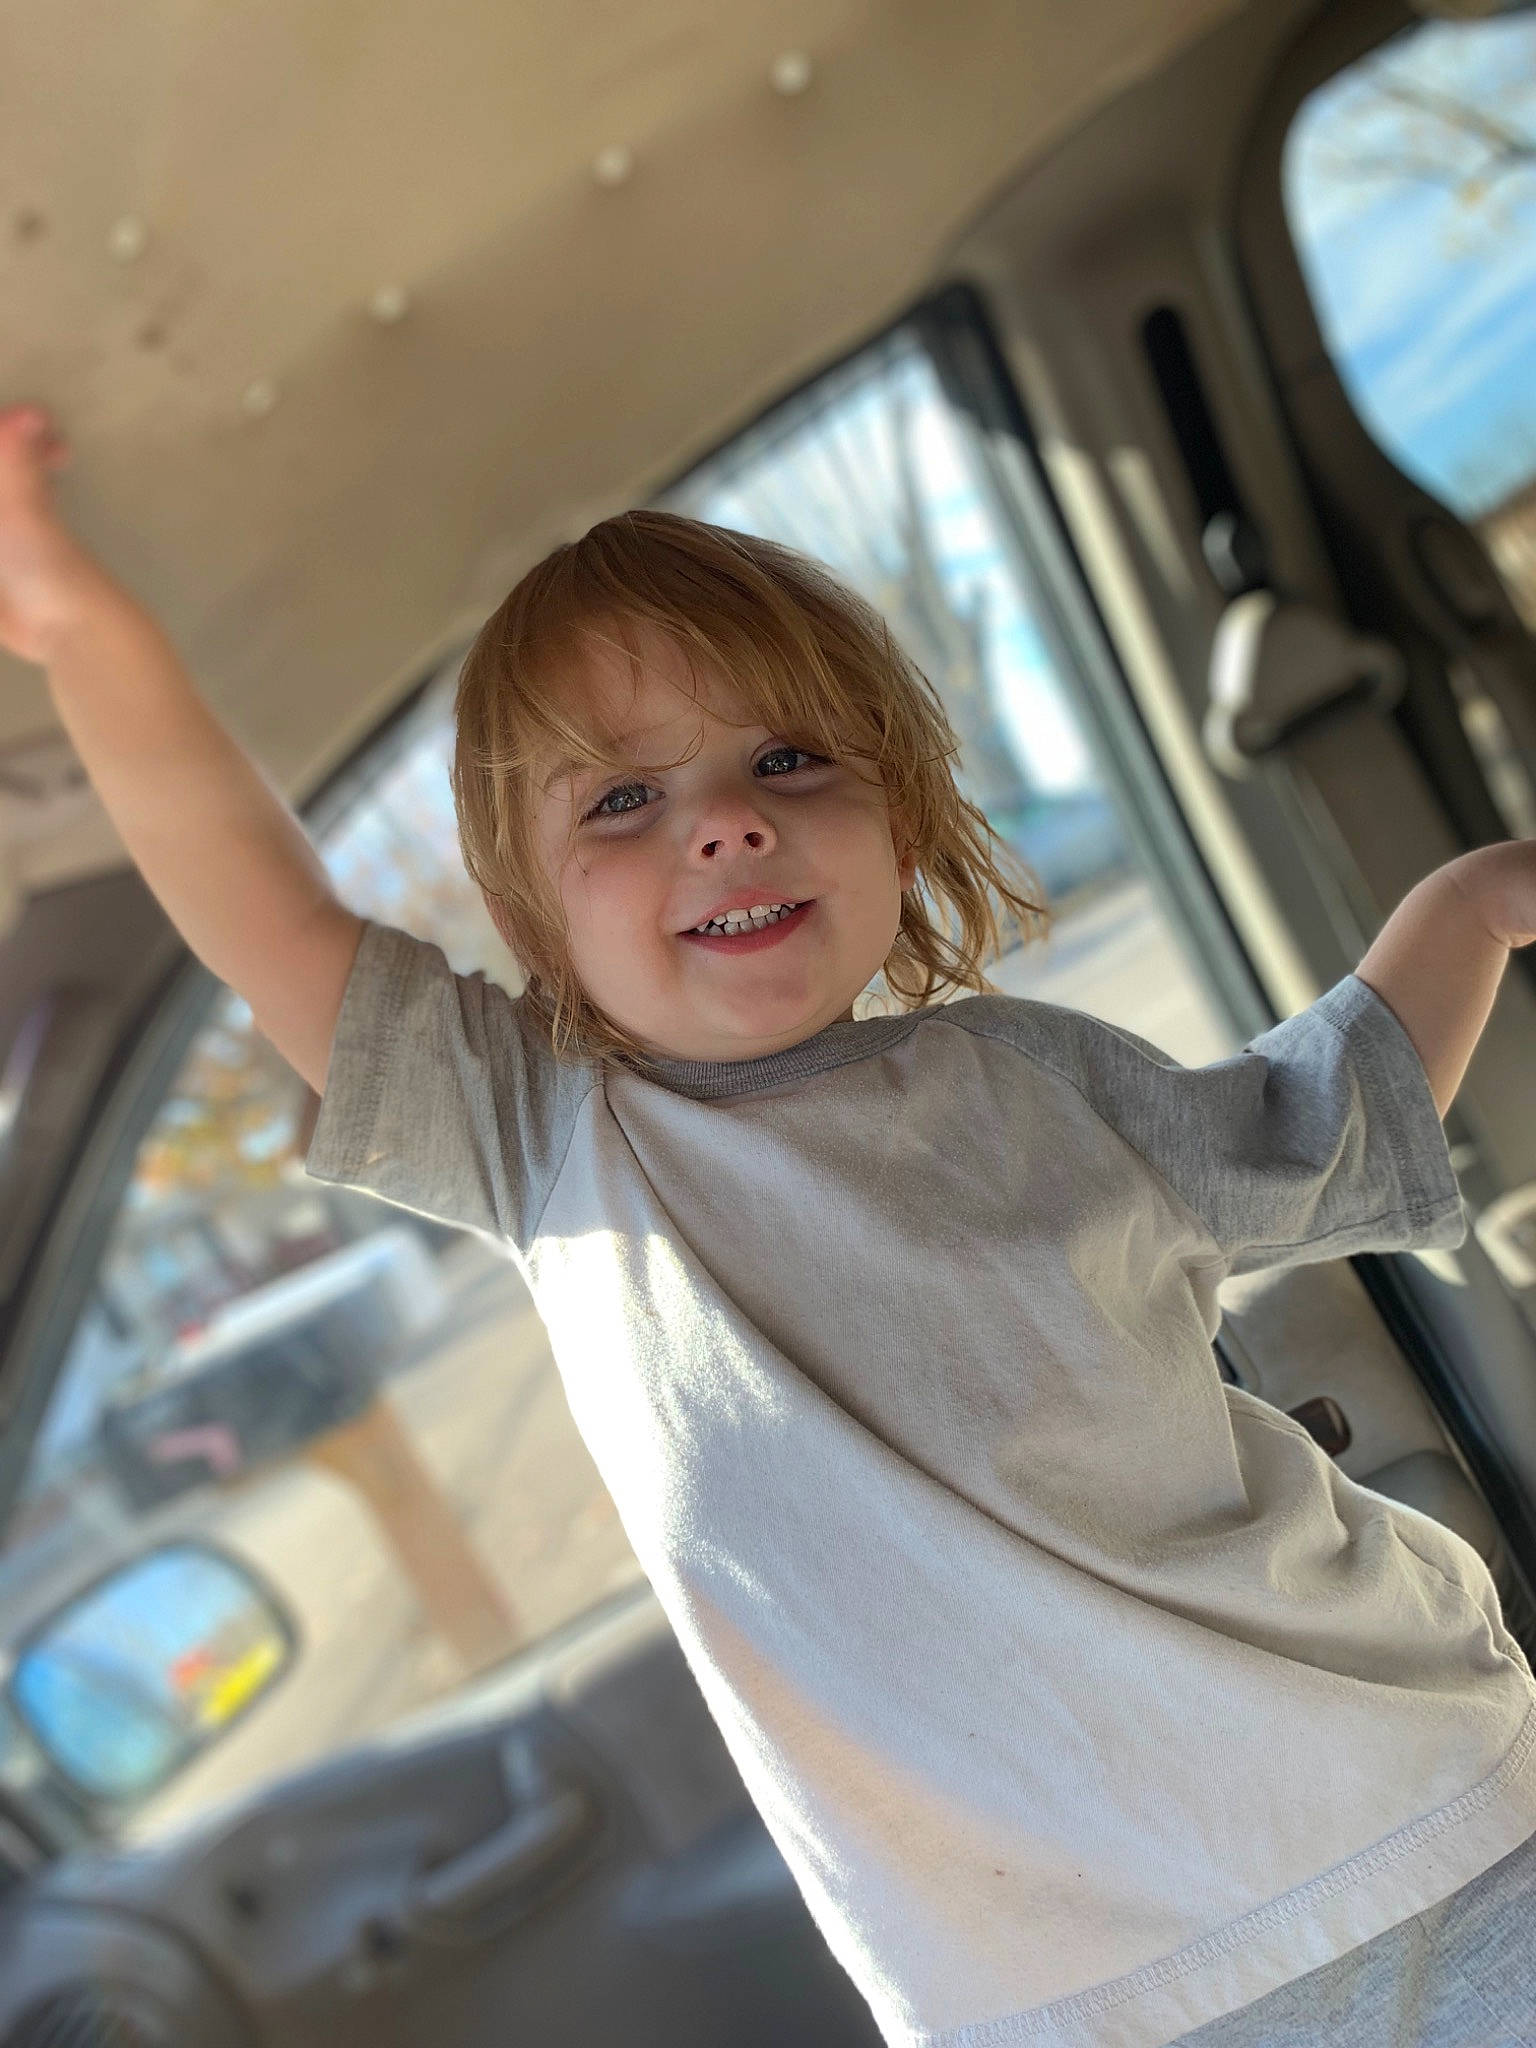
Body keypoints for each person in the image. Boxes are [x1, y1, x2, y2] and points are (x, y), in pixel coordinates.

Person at [2, 395, 1535, 2048]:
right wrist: (74, 623)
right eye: (619, 802)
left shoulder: (1047, 1083)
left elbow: (1336, 1110)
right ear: (531, 916)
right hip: (1079, 1999)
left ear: (901, 808)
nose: (727, 821)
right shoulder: (545, 1136)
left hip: (1430, 1804)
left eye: (786, 759)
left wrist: (1477, 900)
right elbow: (264, 906)